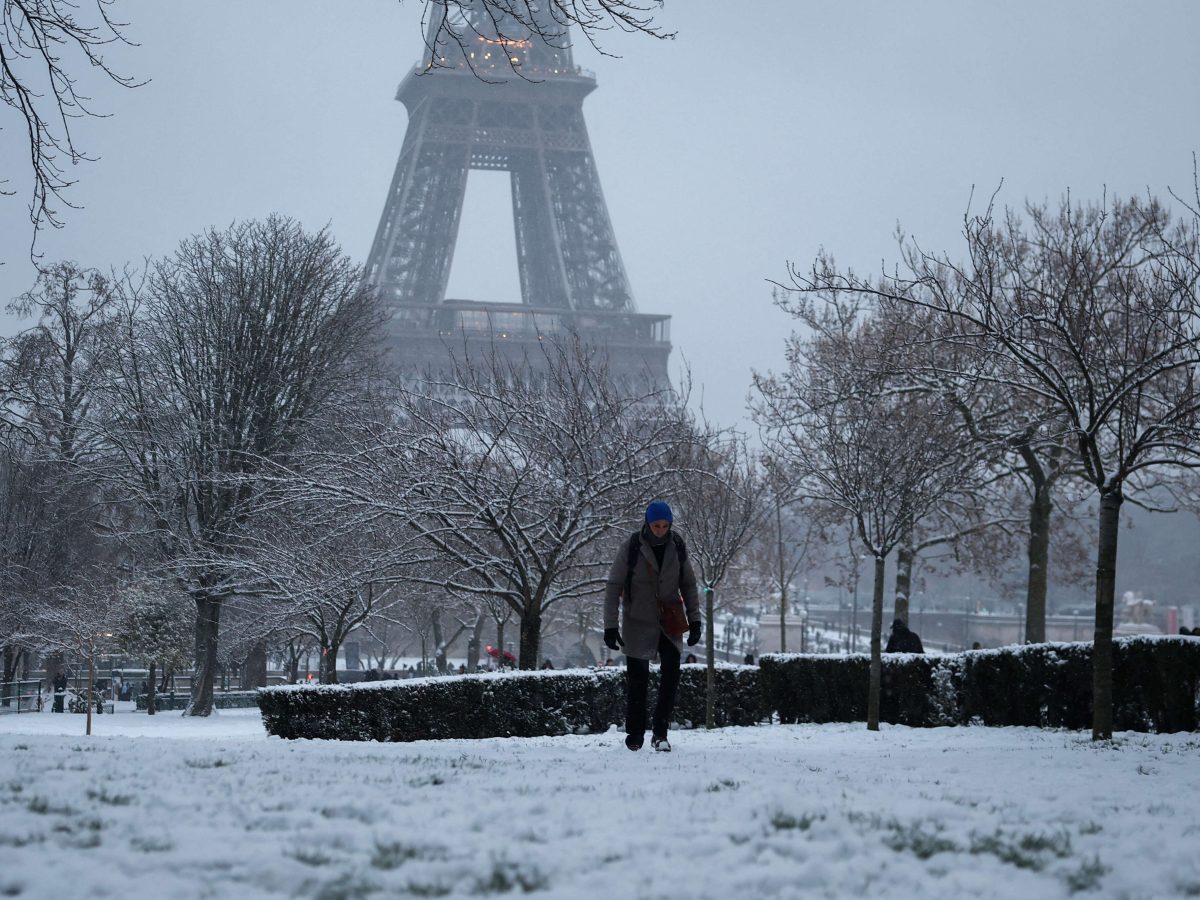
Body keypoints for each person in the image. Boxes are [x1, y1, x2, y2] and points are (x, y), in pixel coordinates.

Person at [604, 499, 701, 752]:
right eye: (656, 525)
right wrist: (610, 626)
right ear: (648, 523)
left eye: (665, 525)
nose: (661, 529)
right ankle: (635, 734)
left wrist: (696, 619)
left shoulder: (677, 545)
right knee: (638, 681)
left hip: (669, 622)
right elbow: (614, 585)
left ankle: (660, 733)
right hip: (638, 622)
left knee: (671, 676)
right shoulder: (632, 547)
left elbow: (688, 584)